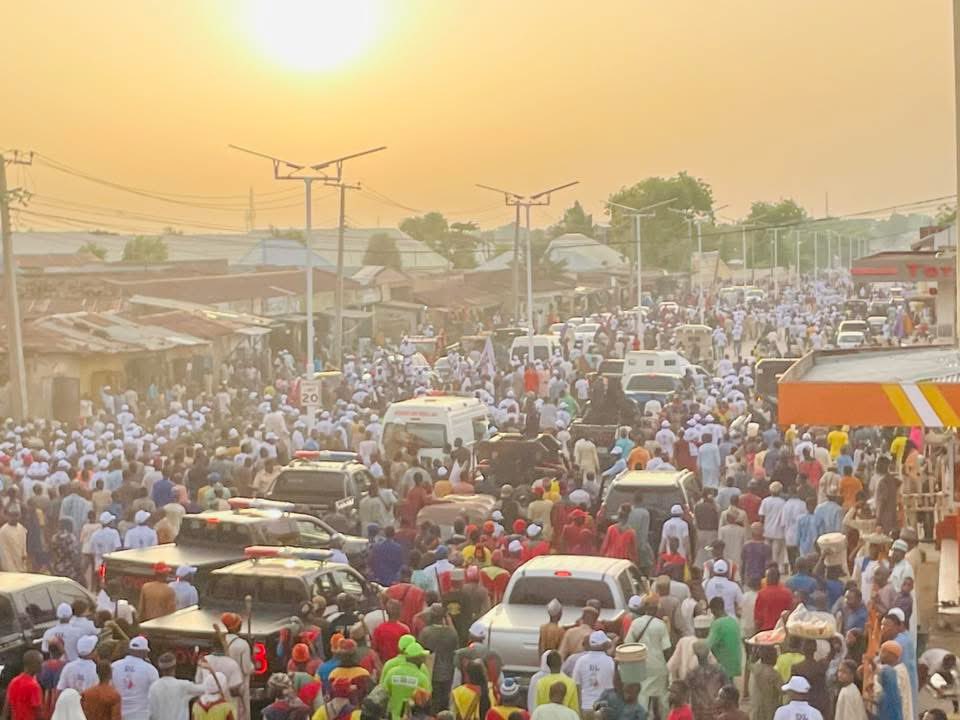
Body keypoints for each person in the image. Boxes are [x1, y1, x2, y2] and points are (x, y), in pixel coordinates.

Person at [625, 597, 671, 718]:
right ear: (656, 609)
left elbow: (628, 644)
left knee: (643, 695)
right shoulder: (661, 625)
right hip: (658, 666)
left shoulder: (636, 623)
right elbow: (666, 649)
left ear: (644, 608)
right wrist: (670, 667)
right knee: (662, 696)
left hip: (640, 665)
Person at [111, 637, 159, 720]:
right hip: (140, 716)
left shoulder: (114, 666)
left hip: (117, 714)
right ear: (145, 652)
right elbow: (156, 695)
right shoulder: (150, 670)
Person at [380, 641, 431, 720]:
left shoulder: (392, 672)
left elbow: (382, 693)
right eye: (423, 657)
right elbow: (426, 700)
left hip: (392, 716)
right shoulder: (422, 678)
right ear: (418, 659)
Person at [148, 652, 205, 720]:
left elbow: (150, 712)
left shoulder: (154, 687)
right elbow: (207, 689)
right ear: (174, 667)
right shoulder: (183, 686)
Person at [571, 630, 616, 715]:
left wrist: (579, 709)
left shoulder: (581, 661)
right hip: (605, 708)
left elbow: (576, 685)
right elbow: (616, 685)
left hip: (586, 707)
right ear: (603, 644)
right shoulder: (610, 662)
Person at [219, 612, 254, 720]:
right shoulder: (242, 644)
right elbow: (246, 668)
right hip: (239, 688)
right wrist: (253, 664)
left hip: (224, 686)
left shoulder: (221, 642)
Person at [704, 597, 742, 680]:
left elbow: (708, 644)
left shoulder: (718, 624)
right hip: (734, 662)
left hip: (723, 664)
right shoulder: (733, 621)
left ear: (714, 609)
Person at [5, 650, 43, 720]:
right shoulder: (34, 686)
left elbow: (6, 707)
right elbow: (38, 712)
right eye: (39, 663)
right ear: (32, 664)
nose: (41, 666)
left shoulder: (13, 682)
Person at [754, 565, 793, 632]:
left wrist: (757, 632)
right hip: (782, 629)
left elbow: (758, 617)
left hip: (766, 630)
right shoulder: (787, 593)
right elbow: (790, 612)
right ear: (778, 579)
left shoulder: (762, 594)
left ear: (768, 579)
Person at [748, 646, 781, 720]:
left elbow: (750, 663)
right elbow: (782, 690)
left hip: (756, 704)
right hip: (770, 705)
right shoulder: (774, 674)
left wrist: (754, 654)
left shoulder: (756, 669)